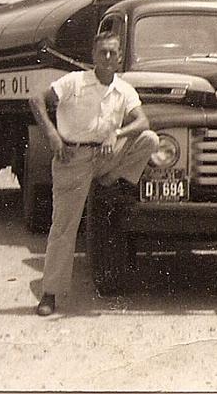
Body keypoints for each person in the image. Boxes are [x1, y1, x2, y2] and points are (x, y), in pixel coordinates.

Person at [29, 31, 159, 316]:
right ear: (93, 56)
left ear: (120, 57)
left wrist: (117, 132)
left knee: (149, 139)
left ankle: (112, 179)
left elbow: (142, 121)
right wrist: (52, 135)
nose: (108, 58)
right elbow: (37, 99)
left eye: (113, 53)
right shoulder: (74, 81)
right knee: (64, 227)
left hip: (104, 156)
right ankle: (49, 294)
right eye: (103, 53)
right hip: (72, 157)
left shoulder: (124, 90)